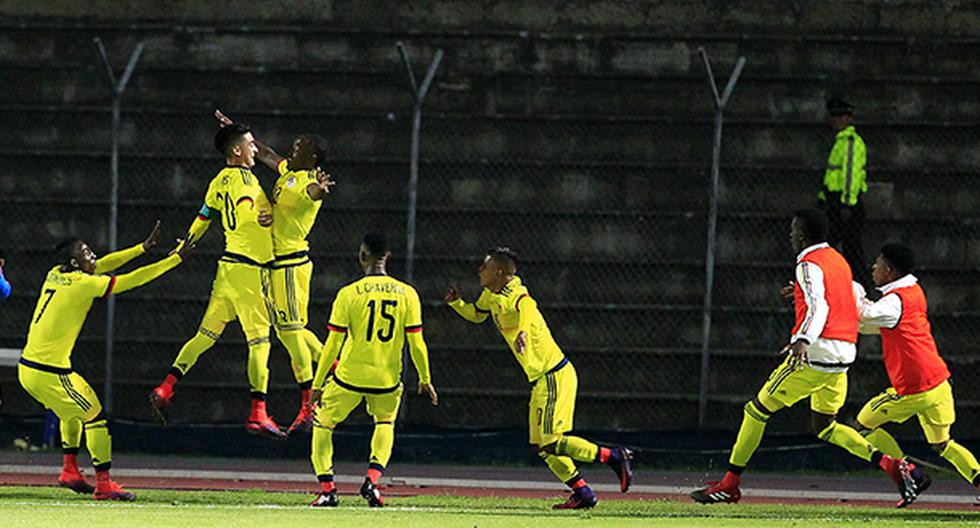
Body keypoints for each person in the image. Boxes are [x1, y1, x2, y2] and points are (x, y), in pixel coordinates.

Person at [691, 209, 917, 507]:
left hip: (816, 353)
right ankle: (889, 462)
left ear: (802, 235)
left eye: (793, 230)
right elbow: (846, 293)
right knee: (826, 426)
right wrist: (800, 289)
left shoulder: (807, 264)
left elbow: (819, 307)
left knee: (756, 411)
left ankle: (729, 484)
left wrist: (802, 340)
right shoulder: (838, 260)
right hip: (844, 355)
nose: (790, 236)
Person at [445, 247, 633, 510]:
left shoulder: (516, 293)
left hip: (553, 374)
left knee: (551, 441)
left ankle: (613, 456)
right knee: (543, 447)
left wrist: (522, 331)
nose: (479, 271)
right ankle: (583, 493)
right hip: (541, 379)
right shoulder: (491, 294)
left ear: (499, 272)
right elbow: (477, 314)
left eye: (483, 267)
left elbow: (528, 307)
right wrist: (457, 304)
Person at [19, 222, 191, 501]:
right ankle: (104, 484)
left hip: (32, 368)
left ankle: (70, 471)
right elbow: (130, 280)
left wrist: (141, 249)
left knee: (71, 413)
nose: (93, 256)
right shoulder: (84, 284)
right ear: (76, 261)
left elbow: (103, 264)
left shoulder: (57, 273)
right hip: (50, 372)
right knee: (95, 416)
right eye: (87, 252)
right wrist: (173, 261)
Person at [149, 123, 285, 439]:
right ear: (237, 150)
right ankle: (258, 413)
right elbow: (249, 209)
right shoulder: (246, 181)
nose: (255, 149)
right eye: (250, 144)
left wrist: (185, 244)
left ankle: (166, 387)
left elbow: (204, 216)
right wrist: (266, 216)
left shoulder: (217, 181)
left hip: (227, 269)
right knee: (260, 342)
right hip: (250, 269)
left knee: (205, 335)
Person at [214, 110, 336, 434]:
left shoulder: (308, 181)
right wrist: (238, 134)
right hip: (277, 263)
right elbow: (267, 154)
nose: (293, 149)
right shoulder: (288, 172)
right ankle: (334, 363)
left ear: (312, 157)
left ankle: (310, 402)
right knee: (287, 332)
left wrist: (321, 191)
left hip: (291, 263)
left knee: (292, 332)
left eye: (299, 147)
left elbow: (312, 195)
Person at [308, 233, 437, 508]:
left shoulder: (348, 294)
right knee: (384, 423)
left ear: (362, 256)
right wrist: (425, 378)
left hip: (349, 378)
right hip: (386, 380)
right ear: (387, 257)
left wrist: (317, 385)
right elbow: (417, 343)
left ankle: (328, 490)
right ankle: (372, 481)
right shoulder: (408, 294)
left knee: (323, 425)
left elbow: (333, 345)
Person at [854, 243, 979, 500]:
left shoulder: (893, 301)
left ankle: (908, 473)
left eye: (877, 264)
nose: (873, 268)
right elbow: (870, 324)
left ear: (888, 271)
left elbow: (866, 315)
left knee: (862, 426)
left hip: (914, 386)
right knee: (943, 445)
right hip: (939, 383)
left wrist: (848, 292)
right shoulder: (913, 291)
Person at [818, 97, 869, 287]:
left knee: (848, 247)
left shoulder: (849, 142)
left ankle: (858, 285)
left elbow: (850, 175)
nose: (837, 120)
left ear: (849, 118)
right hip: (835, 201)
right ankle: (856, 284)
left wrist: (847, 203)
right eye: (835, 116)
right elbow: (834, 175)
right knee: (849, 247)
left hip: (844, 202)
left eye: (841, 115)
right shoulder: (841, 142)